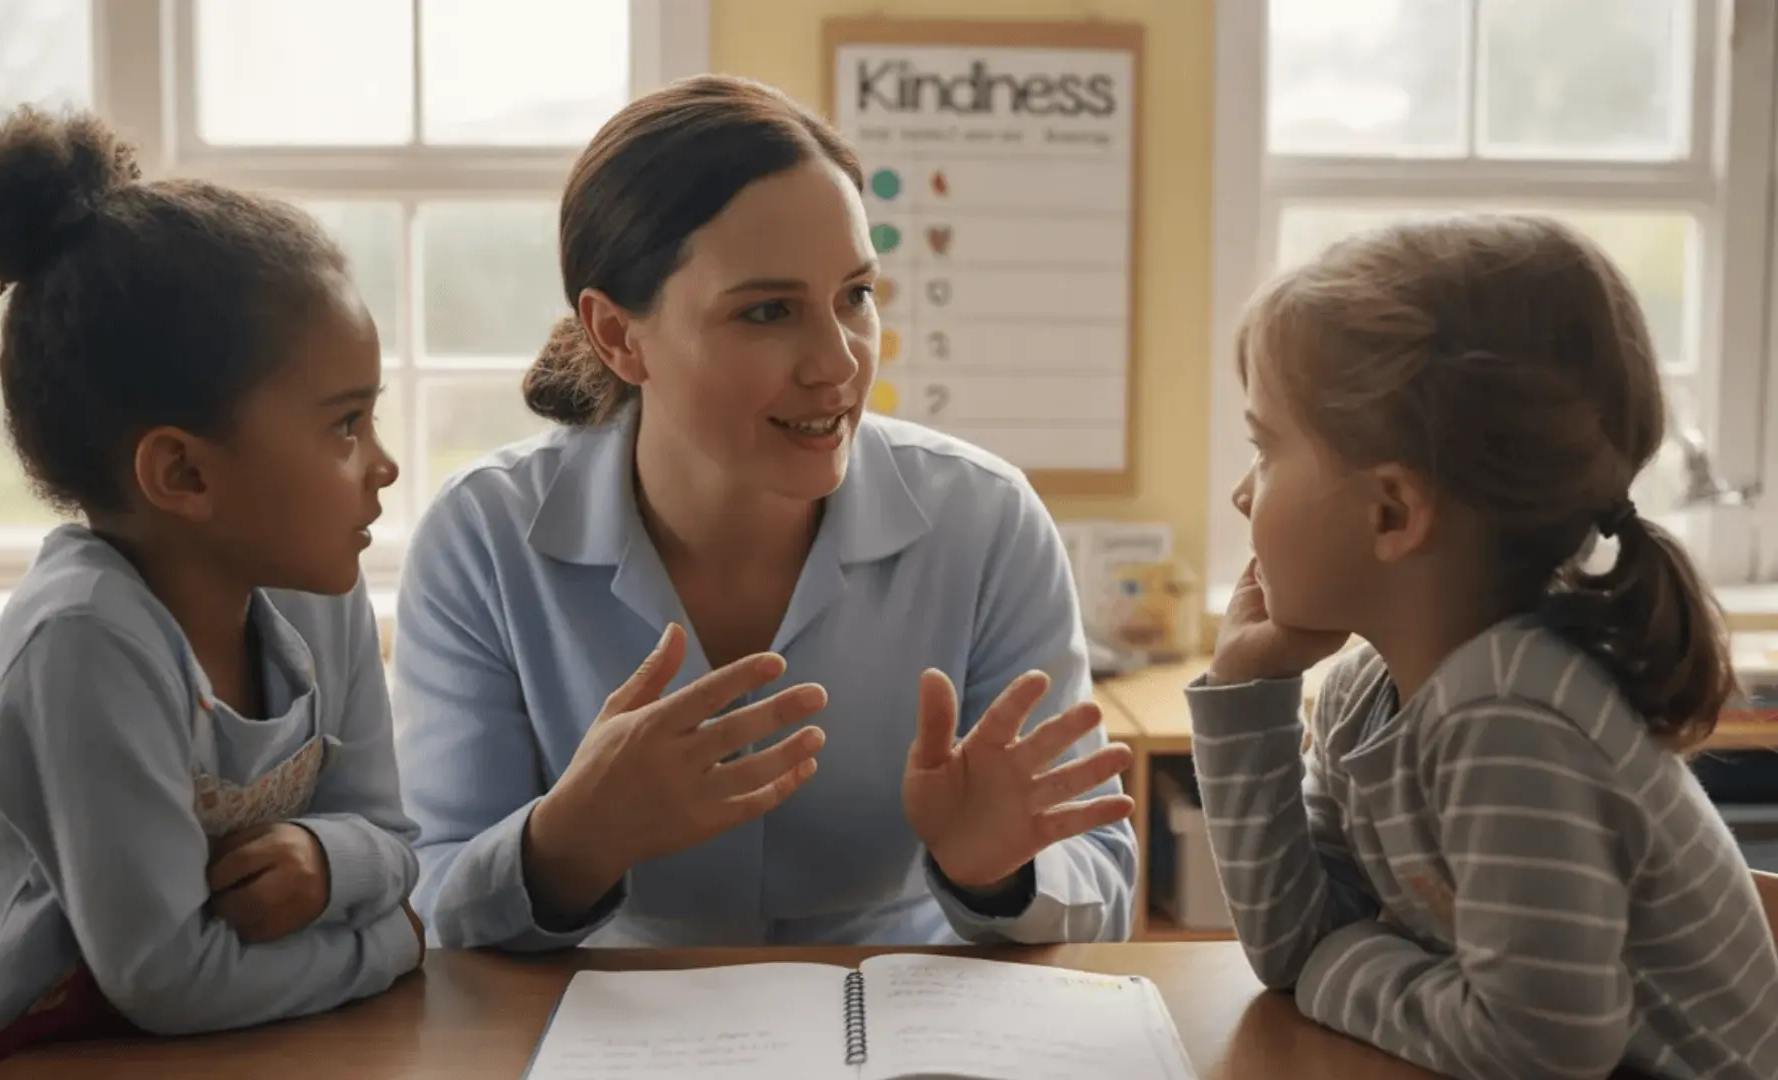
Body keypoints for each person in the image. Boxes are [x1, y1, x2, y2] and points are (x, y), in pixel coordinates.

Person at [393, 74, 1138, 950]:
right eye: (767, 311)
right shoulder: (483, 536)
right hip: (608, 1029)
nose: (838, 362)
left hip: (903, 1021)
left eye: (855, 296)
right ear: (617, 335)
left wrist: (1000, 871)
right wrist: (566, 845)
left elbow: (1101, 873)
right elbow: (430, 900)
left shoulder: (988, 520)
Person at [0, 106, 422, 1080]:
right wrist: (388, 943)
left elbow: (391, 835)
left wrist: (329, 862)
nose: (382, 465)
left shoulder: (320, 588)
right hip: (23, 1057)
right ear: (183, 475)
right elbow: (169, 979)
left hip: (230, 1038)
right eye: (344, 425)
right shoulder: (85, 640)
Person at [1186, 214, 1778, 1080]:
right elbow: (1292, 940)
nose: (1244, 494)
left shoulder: (1512, 719)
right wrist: (1246, 685)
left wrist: (1334, 965)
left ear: (1392, 512)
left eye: (1265, 449)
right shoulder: (1368, 687)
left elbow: (1538, 1050)